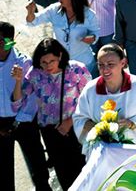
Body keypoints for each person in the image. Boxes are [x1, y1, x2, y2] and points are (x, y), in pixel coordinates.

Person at [11, 38, 91, 191]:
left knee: (84, 172)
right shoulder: (34, 74)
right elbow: (17, 104)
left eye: (52, 61)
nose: (48, 66)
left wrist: (70, 121)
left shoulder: (77, 70)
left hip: (77, 129)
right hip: (50, 133)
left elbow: (90, 101)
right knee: (64, 175)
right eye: (44, 62)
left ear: (60, 56)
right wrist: (18, 81)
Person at [73, 44, 136, 155]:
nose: (105, 69)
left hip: (134, 152)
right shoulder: (90, 89)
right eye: (101, 65)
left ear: (123, 63)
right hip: (102, 153)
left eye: (110, 64)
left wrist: (131, 123)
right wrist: (99, 128)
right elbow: (79, 119)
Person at [0, 22, 51, 191]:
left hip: (24, 121)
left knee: (37, 165)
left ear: (8, 42)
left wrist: (16, 123)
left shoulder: (24, 63)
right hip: (0, 123)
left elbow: (30, 100)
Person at [25, 0, 100, 75]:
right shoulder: (54, 10)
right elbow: (33, 22)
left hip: (84, 63)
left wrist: (91, 38)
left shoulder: (89, 14)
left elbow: (96, 33)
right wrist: (30, 12)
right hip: (61, 65)